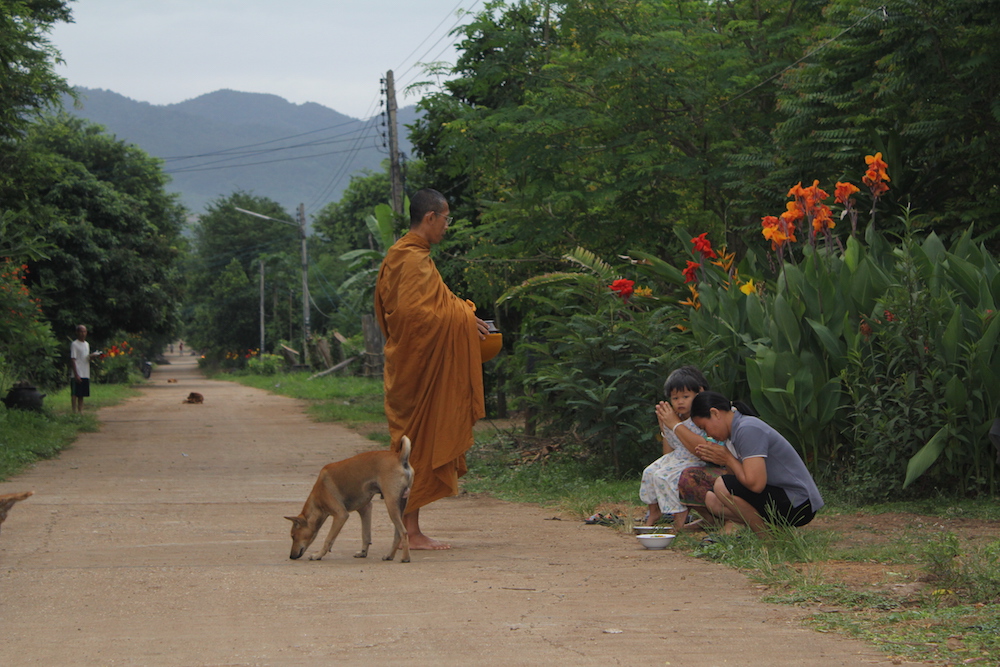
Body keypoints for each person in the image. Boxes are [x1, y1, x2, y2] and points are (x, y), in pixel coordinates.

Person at [374, 188, 489, 550]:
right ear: (430, 217)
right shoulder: (408, 259)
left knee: (415, 448)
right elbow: (413, 316)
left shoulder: (414, 256)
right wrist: (462, 318)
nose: (446, 226)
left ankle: (412, 529)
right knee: (412, 447)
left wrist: (464, 316)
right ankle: (411, 531)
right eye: (446, 219)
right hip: (415, 369)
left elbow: (437, 303)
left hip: (420, 366)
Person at [690, 391, 824, 535]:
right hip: (781, 497)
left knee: (721, 486)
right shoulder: (733, 434)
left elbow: (756, 485)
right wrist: (725, 459)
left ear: (715, 413)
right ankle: (774, 531)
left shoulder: (747, 429)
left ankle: (765, 536)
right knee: (713, 500)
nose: (707, 435)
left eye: (704, 428)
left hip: (799, 503)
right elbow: (736, 481)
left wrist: (728, 459)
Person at [638, 366, 726, 529]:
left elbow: (704, 450)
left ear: (699, 392)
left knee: (664, 476)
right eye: (675, 398)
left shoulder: (703, 417)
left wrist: (675, 425)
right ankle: (654, 512)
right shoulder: (676, 417)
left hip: (699, 461)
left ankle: (679, 519)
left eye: (685, 396)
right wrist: (665, 426)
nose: (680, 402)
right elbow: (670, 449)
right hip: (678, 457)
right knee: (650, 472)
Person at [69, 325, 100, 414]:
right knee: (75, 393)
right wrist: (76, 374)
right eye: (81, 331)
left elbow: (85, 358)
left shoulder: (86, 344)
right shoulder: (74, 344)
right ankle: (74, 411)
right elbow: (73, 359)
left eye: (84, 332)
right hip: (77, 372)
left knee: (81, 394)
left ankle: (80, 411)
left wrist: (92, 357)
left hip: (85, 372)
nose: (83, 334)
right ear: (77, 333)